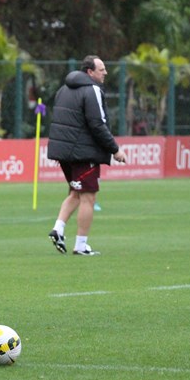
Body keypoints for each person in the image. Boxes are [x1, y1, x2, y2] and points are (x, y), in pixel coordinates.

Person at [46, 55, 126, 255]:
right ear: (90, 72)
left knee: (75, 193)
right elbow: (97, 124)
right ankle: (81, 245)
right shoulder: (93, 90)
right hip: (82, 153)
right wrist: (114, 149)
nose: (105, 72)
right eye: (101, 69)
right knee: (88, 198)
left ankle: (58, 229)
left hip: (63, 152)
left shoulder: (63, 89)